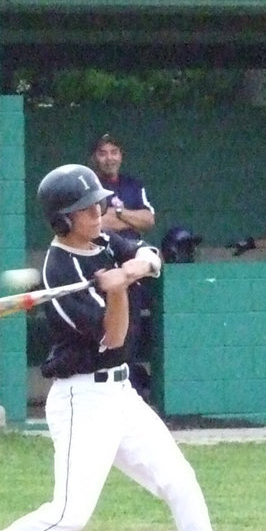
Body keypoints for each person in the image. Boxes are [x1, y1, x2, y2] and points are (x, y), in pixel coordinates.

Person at [0, 164, 251, 531]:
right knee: (70, 515)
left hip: (122, 395)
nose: (101, 211)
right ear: (64, 219)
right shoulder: (59, 271)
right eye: (89, 208)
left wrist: (132, 268)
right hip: (81, 401)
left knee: (181, 482)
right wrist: (119, 292)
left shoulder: (104, 241)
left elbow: (152, 253)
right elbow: (114, 337)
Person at [89, 133, 156, 394]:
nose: (109, 158)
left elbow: (148, 220)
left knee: (132, 329)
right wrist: (128, 218)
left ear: (121, 155)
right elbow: (99, 223)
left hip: (131, 266)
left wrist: (117, 212)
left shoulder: (132, 185)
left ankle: (128, 389)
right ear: (95, 157)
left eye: (114, 152)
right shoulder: (89, 184)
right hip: (101, 265)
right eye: (103, 153)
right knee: (103, 328)